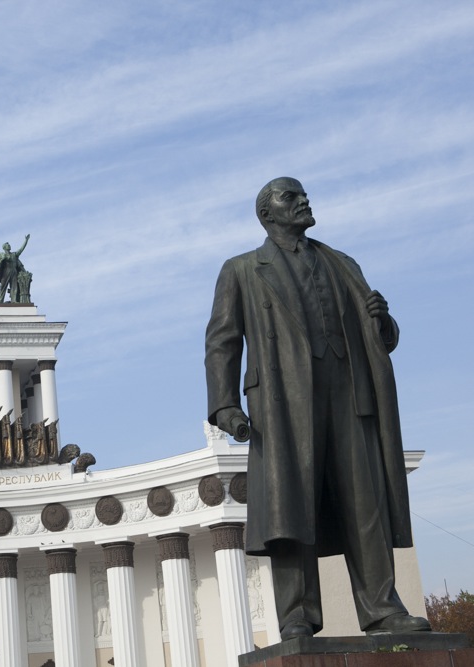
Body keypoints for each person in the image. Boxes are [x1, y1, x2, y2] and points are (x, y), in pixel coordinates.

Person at [205, 177, 430, 639]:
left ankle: (383, 610)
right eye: (291, 196)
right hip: (283, 404)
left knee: (364, 504)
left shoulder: (341, 263)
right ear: (267, 214)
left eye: (303, 194)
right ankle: (298, 616)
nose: (304, 200)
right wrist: (225, 404)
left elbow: (381, 338)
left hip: (351, 395)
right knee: (292, 508)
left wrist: (382, 320)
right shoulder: (243, 269)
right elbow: (222, 341)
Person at [0, 234, 30, 304]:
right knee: (3, 287)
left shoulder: (14, 254)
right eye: (8, 245)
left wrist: (26, 241)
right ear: (4, 247)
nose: (9, 246)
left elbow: (21, 249)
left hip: (14, 272)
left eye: (9, 245)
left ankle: (14, 300)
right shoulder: (1, 255)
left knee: (14, 287)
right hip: (5, 272)